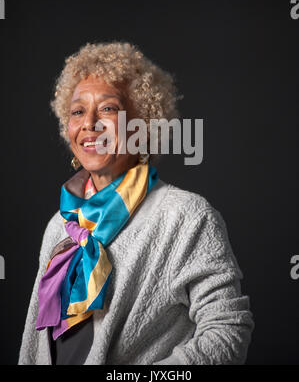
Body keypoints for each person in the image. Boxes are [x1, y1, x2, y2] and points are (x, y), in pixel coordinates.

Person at [18, 41, 254, 365]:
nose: (89, 123)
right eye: (77, 111)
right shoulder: (59, 225)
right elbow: (34, 347)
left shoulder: (186, 217)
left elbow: (228, 334)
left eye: (108, 108)